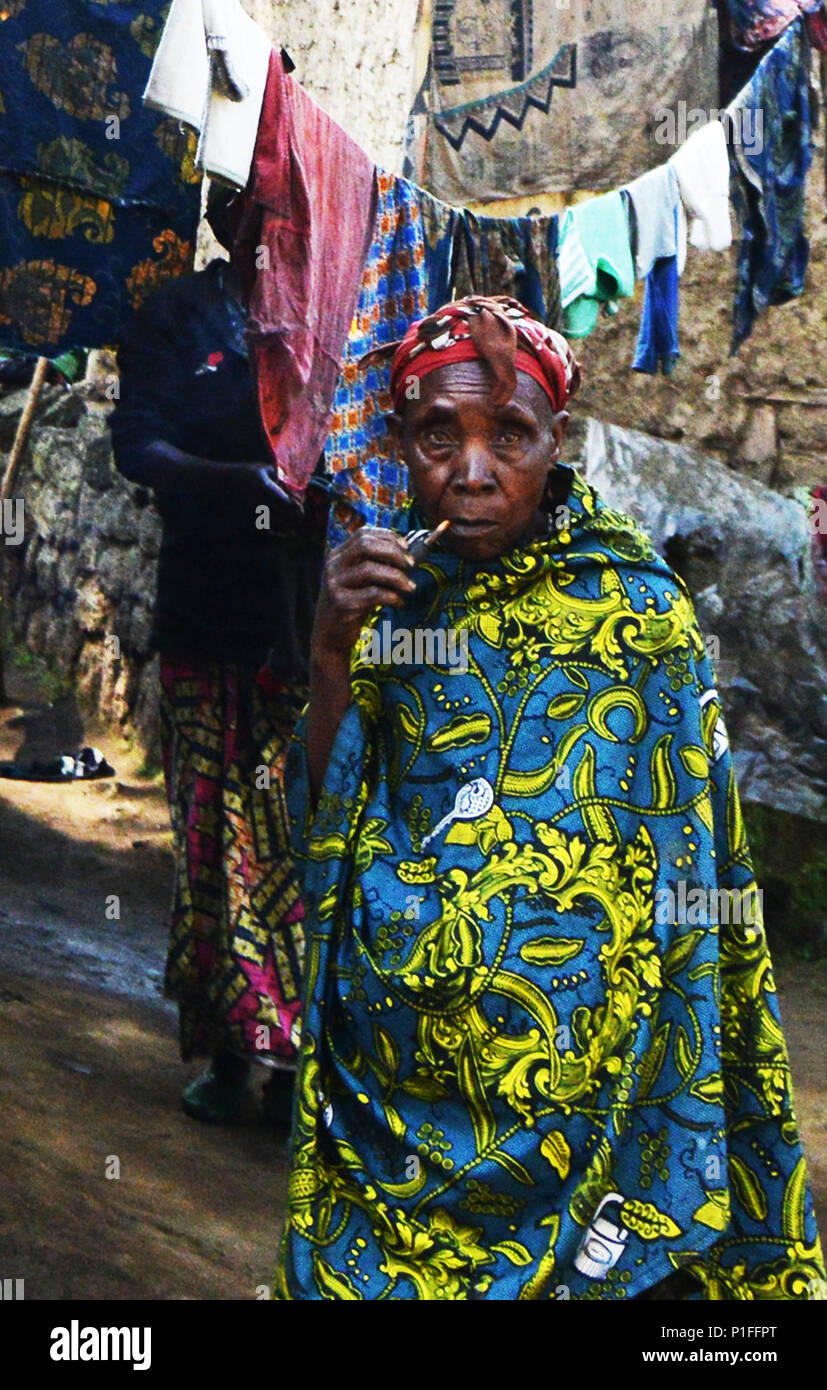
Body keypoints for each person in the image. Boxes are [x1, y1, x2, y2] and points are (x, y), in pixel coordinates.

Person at [274, 295, 825, 1299]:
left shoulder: (638, 616)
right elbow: (329, 827)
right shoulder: (387, 597)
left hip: (579, 1110)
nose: (472, 471)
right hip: (392, 1097)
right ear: (399, 441)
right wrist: (326, 654)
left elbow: (688, 873)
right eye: (439, 435)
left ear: (555, 441)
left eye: (509, 436)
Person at [110, 187, 326, 1125]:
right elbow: (136, 443)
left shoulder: (321, 319)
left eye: (283, 206)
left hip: (296, 632)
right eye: (250, 203)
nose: (266, 223)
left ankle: (294, 1068)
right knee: (209, 851)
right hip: (203, 618)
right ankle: (231, 1055)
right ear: (221, 213)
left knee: (286, 847)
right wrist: (226, 483)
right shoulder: (177, 317)